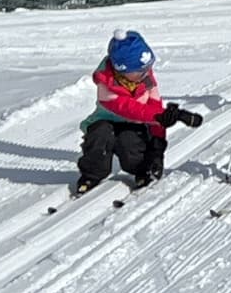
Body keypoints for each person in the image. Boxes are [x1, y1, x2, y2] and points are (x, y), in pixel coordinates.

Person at [78, 28, 201, 192]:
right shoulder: (106, 84)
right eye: (139, 71)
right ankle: (91, 175)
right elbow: (130, 109)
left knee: (130, 144)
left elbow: (154, 108)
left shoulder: (146, 79)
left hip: (133, 125)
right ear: (121, 70)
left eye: (147, 68)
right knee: (100, 134)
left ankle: (143, 170)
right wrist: (160, 116)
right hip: (104, 122)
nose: (145, 73)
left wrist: (157, 150)